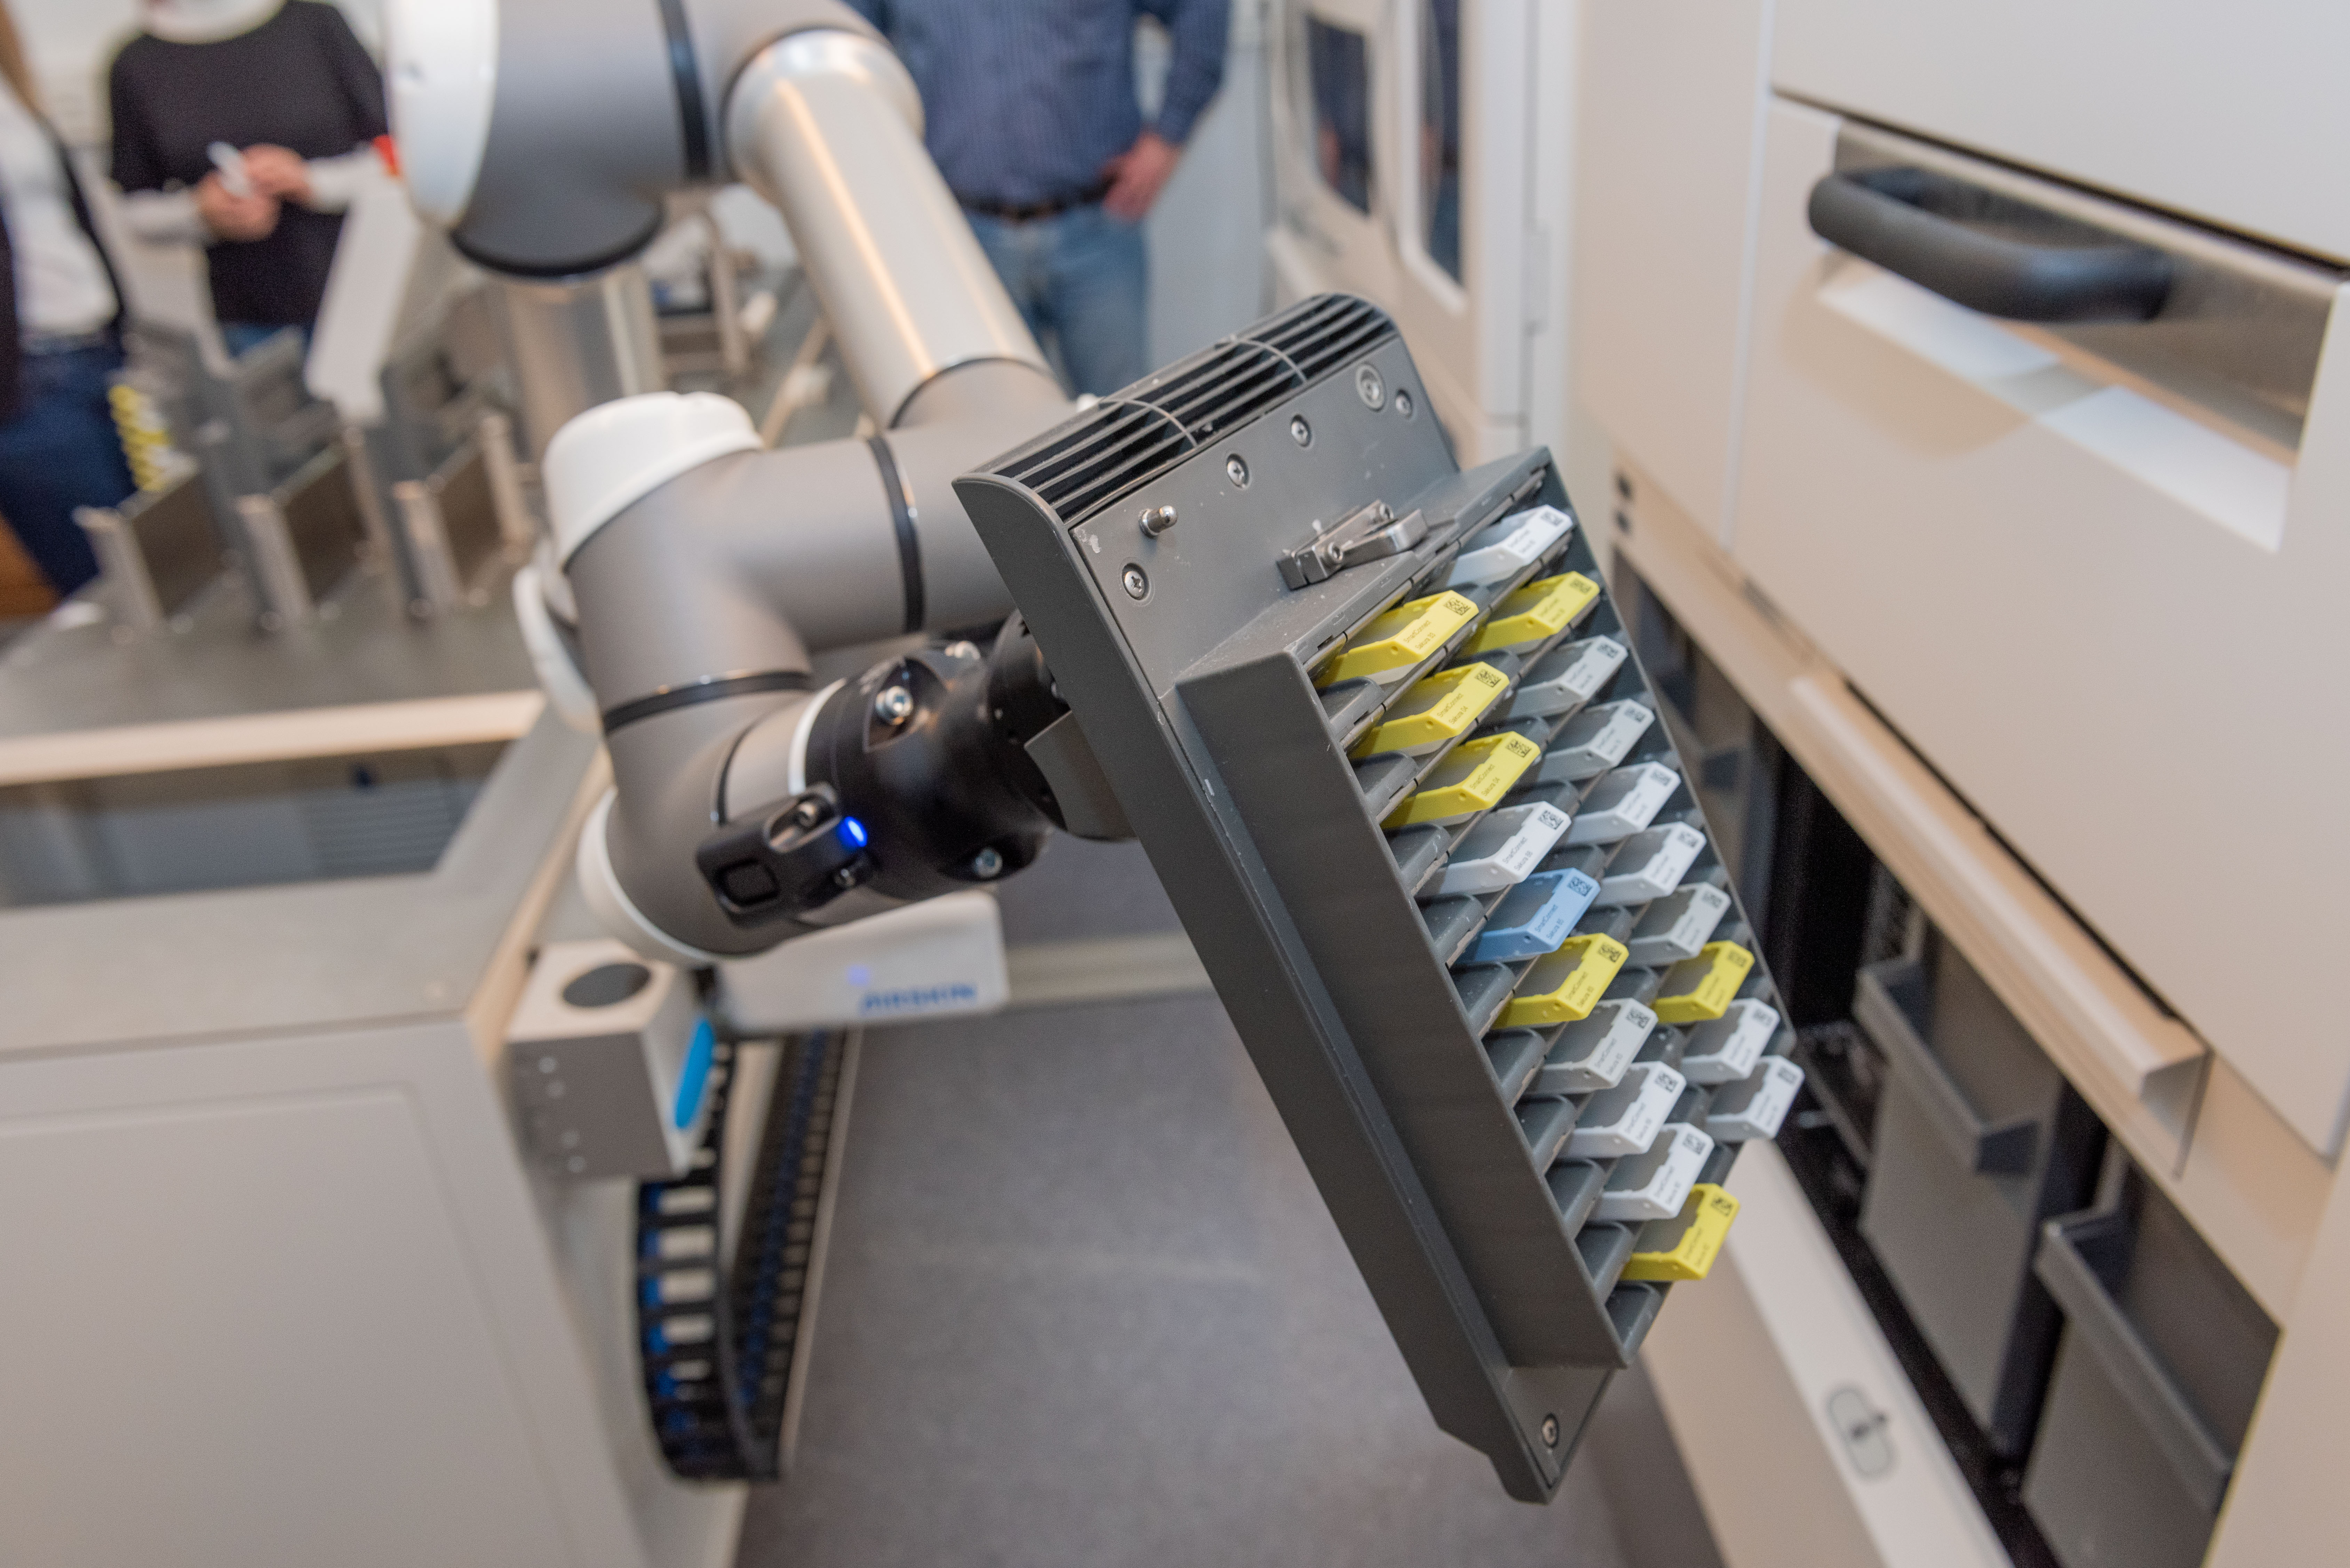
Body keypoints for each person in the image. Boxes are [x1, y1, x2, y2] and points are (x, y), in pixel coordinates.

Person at [847, 0, 1229, 397]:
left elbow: (1201, 10)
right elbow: (839, 44)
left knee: (1126, 414)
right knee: (997, 420)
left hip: (1096, 232)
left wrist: (1166, 138)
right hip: (962, 241)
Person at [108, 0, 386, 357]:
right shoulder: (135, 63)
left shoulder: (314, 23)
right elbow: (136, 209)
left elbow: (402, 160)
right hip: (251, 315)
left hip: (365, 291)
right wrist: (202, 211)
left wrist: (312, 182)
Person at [0, 1, 132, 599]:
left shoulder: (14, 87)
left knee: (156, 554)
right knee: (101, 584)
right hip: (27, 382)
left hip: (92, 349)